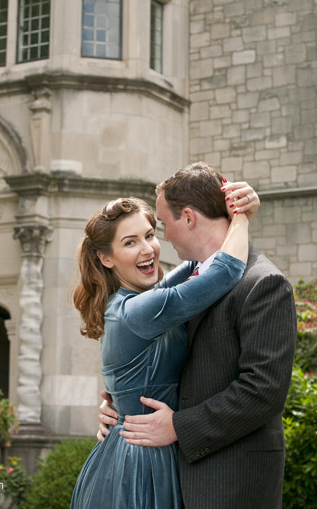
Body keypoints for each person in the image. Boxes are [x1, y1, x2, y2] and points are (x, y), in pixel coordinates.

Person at [98, 162, 297, 509]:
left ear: (188, 218)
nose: (162, 239)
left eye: (161, 226)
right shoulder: (181, 285)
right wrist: (117, 403)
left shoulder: (264, 283)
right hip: (168, 477)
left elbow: (263, 391)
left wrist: (178, 426)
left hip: (230, 481)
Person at [71, 175, 259, 509]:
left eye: (150, 235)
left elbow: (197, 262)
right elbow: (224, 270)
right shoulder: (137, 311)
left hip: (143, 450)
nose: (147, 250)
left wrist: (222, 211)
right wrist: (242, 217)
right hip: (140, 463)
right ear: (106, 258)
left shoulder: (146, 298)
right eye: (130, 243)